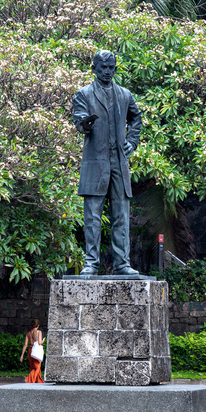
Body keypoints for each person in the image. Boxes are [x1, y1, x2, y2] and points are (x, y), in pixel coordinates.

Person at [72, 49, 143, 275]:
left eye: (111, 67)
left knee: (121, 215)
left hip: (119, 164)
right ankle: (91, 263)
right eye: (102, 67)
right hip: (95, 164)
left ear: (115, 68)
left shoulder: (124, 94)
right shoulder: (83, 94)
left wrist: (132, 142)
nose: (107, 71)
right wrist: (85, 124)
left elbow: (136, 119)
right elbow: (79, 121)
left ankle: (123, 263)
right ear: (94, 68)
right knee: (92, 216)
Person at [20, 319, 45, 383]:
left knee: (33, 367)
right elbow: (39, 342)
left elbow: (25, 345)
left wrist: (22, 355)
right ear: (38, 325)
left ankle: (38, 381)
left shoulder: (28, 333)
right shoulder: (39, 332)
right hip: (36, 350)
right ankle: (29, 379)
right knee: (37, 367)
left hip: (30, 350)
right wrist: (43, 340)